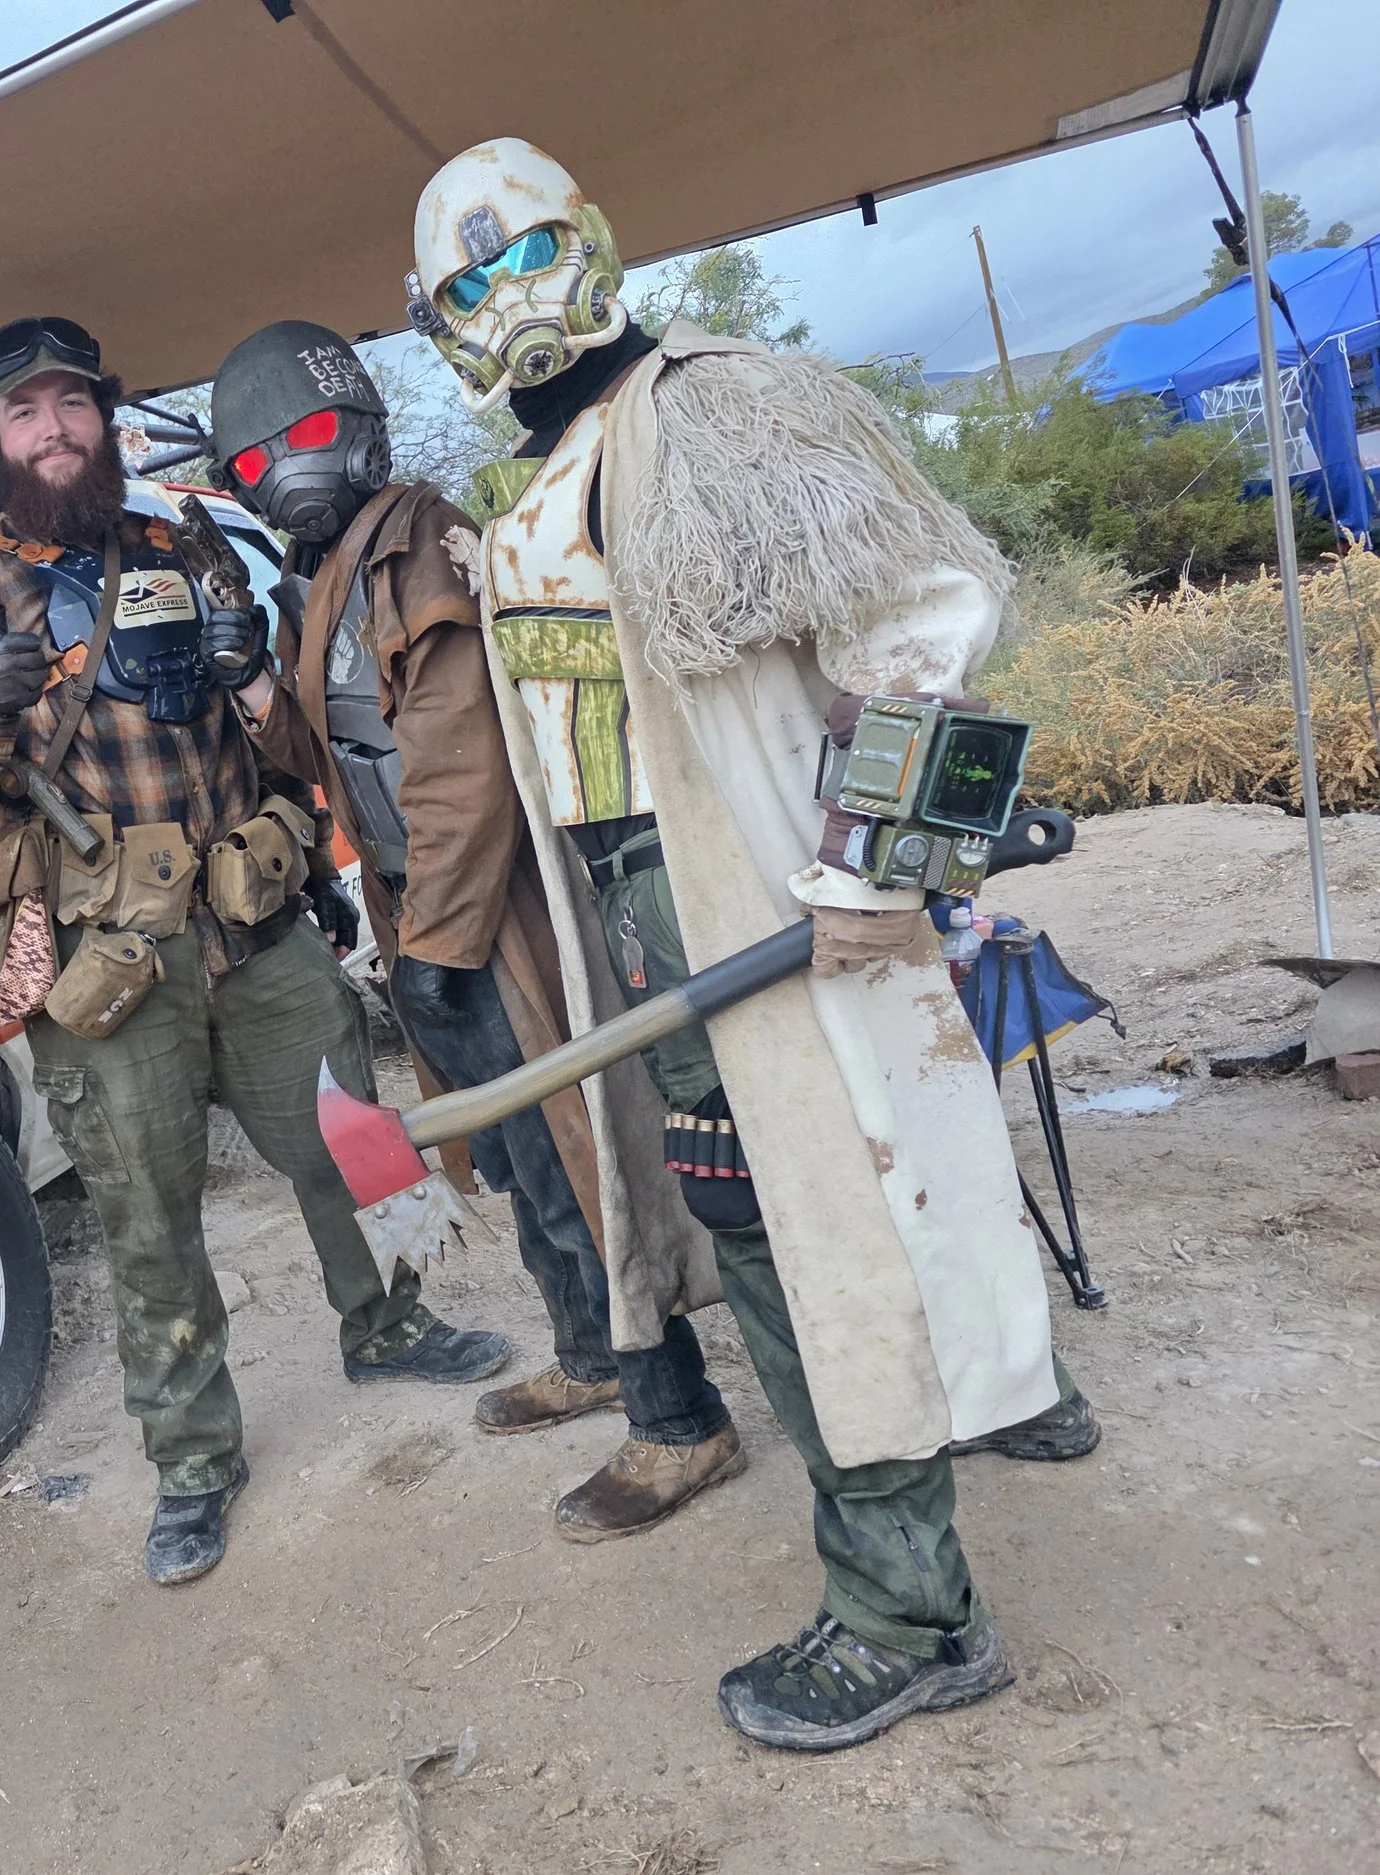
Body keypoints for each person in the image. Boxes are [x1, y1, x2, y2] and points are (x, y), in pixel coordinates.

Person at [402, 139, 1096, 1751]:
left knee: (843, 1231)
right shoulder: (542, 477)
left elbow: (927, 611)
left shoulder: (716, 406)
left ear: (594, 238)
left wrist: (871, 863)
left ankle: (910, 1611)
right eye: (465, 282)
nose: (506, 297)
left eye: (526, 254)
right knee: (764, 1225)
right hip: (655, 933)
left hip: (779, 914)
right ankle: (931, 1494)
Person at [0, 316, 511, 1588]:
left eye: (73, 405)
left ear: (103, 421)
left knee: (354, 1138)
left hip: (253, 923)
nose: (54, 429)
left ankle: (388, 1322)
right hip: (109, 960)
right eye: (26, 414)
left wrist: (246, 678)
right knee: (145, 1215)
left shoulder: (181, 545)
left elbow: (287, 742)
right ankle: (192, 1463)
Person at [208, 320, 746, 1544]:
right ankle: (588, 1356)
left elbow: (460, 771)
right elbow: (333, 757)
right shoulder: (334, 572)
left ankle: (679, 1421)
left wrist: (438, 951)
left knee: (579, 1157)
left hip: (490, 913)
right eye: (255, 461)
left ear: (356, 429)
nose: (281, 471)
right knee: (512, 1163)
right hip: (423, 913)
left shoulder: (413, 548)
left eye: (300, 437)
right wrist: (253, 678)